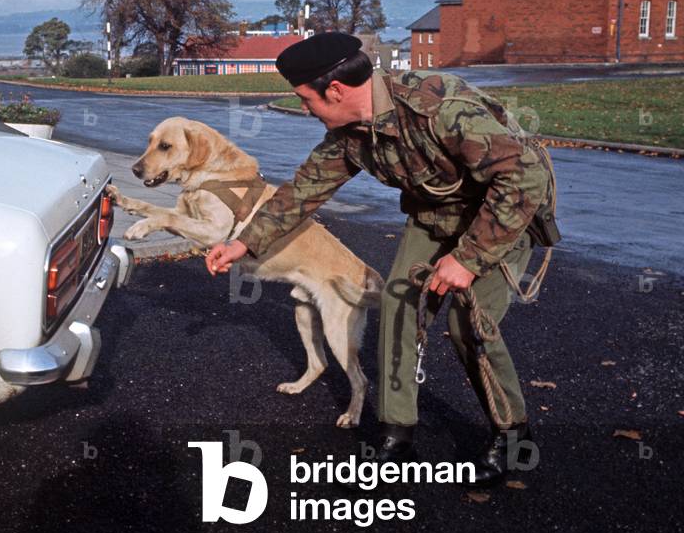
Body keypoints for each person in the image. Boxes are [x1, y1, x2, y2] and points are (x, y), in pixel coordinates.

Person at [205, 32, 557, 485]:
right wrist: (244, 244)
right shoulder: (348, 132)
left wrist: (468, 261)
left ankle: (513, 438)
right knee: (397, 306)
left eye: (305, 99)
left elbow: (522, 175)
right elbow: (304, 190)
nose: (305, 110)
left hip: (503, 212)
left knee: (471, 325)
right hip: (438, 214)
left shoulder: (437, 105)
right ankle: (396, 434)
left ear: (335, 91)